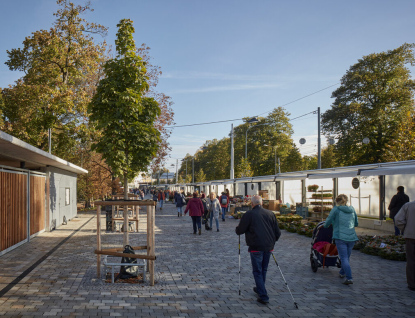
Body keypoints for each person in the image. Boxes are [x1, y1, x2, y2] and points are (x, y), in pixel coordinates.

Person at [235, 195, 281, 305]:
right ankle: (260, 288)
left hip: (256, 246)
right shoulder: (270, 214)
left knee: (257, 271)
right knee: (263, 269)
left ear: (252, 204)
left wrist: (237, 229)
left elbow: (240, 230)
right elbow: (278, 232)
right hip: (268, 246)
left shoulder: (249, 214)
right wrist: (272, 242)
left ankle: (263, 295)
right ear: (262, 203)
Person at [324, 194, 358, 285]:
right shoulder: (352, 209)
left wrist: (325, 226)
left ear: (336, 201)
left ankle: (349, 278)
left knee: (344, 258)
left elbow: (328, 220)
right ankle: (342, 272)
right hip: (351, 237)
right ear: (346, 201)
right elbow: (356, 223)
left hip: (340, 237)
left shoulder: (336, 210)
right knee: (346, 257)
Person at [395, 201, 415, 291]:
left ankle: (412, 284)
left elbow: (398, 219)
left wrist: (405, 229)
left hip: (411, 237)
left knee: (411, 260)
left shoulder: (408, 205)